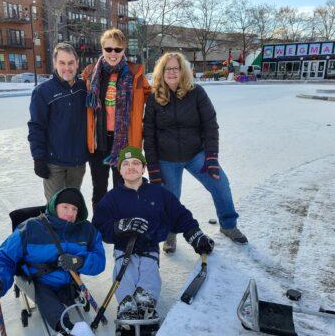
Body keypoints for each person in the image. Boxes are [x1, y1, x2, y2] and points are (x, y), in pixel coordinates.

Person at [92, 146, 214, 322]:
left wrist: (195, 235)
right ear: (120, 170)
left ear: (143, 168)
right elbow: (100, 226)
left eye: (135, 163)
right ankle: (127, 305)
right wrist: (120, 226)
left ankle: (145, 303)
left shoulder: (159, 193)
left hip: (149, 248)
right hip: (123, 250)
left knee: (149, 273)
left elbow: (180, 215)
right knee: (125, 273)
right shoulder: (111, 198)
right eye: (125, 164)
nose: (131, 167)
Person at [0, 188, 105, 336]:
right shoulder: (31, 227)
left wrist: (79, 261)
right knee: (44, 293)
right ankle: (65, 333)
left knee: (67, 293)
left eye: (75, 209)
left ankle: (72, 332)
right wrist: (0, 281)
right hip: (36, 281)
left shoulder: (86, 230)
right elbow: (4, 257)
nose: (70, 213)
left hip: (69, 279)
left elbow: (99, 261)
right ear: (54, 206)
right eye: (65, 207)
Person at [143, 52, 247, 253]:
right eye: (168, 68)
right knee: (170, 198)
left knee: (220, 183)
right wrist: (153, 169)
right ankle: (170, 233)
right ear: (161, 72)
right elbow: (149, 136)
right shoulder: (154, 99)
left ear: (183, 71)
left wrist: (211, 157)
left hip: (196, 155)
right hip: (167, 159)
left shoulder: (196, 93)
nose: (172, 72)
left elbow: (210, 126)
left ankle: (228, 225)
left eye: (176, 68)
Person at [82, 28, 151, 209]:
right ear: (102, 49)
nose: (113, 53)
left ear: (124, 50)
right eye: (109, 49)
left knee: (123, 188)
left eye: (118, 49)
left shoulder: (135, 75)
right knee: (99, 189)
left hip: (125, 142)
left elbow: (153, 101)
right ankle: (100, 225)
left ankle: (122, 226)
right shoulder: (90, 75)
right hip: (98, 142)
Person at [28, 43, 88, 202]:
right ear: (55, 63)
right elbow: (36, 127)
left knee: (72, 206)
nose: (67, 67)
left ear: (77, 63)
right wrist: (38, 158)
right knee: (56, 208)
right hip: (54, 164)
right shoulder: (43, 92)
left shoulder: (84, 88)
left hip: (77, 163)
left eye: (70, 63)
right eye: (62, 63)